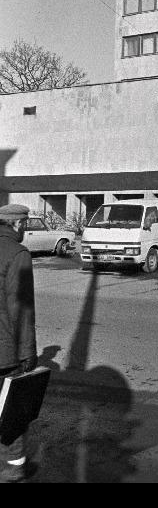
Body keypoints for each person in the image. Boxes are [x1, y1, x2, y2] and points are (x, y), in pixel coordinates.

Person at [0, 203, 38, 483]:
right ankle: (13, 470)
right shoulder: (17, 254)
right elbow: (21, 309)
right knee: (11, 415)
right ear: (17, 225)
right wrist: (27, 353)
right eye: (24, 225)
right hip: (4, 355)